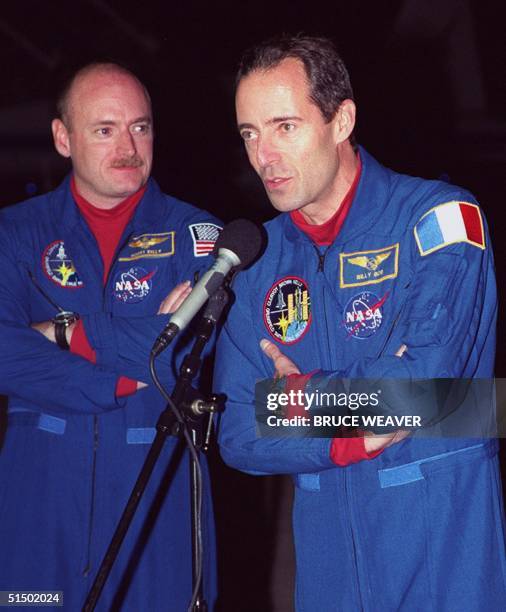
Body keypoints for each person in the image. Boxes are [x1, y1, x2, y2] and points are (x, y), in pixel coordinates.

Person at [214, 35, 506, 611]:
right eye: (250, 133)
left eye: (284, 127)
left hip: (441, 556)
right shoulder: (256, 259)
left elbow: (423, 390)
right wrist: (350, 429)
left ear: (341, 120)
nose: (263, 155)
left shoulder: (440, 219)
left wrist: (292, 403)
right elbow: (236, 434)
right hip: (328, 573)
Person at [0, 63, 220, 610]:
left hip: (157, 498)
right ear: (62, 137)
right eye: (105, 129)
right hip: (37, 504)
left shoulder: (200, 237)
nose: (129, 145)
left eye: (141, 127)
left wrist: (67, 333)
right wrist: (122, 381)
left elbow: (188, 353)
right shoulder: (14, 233)